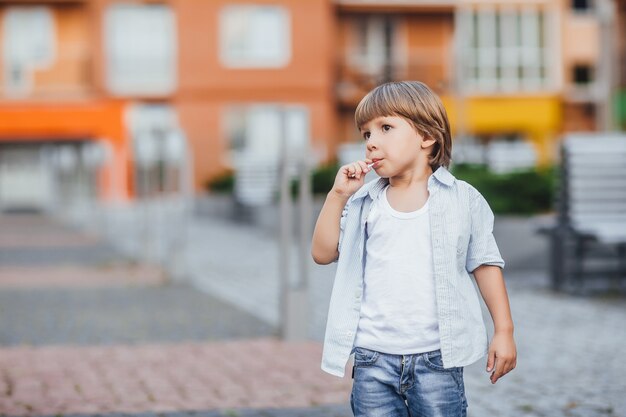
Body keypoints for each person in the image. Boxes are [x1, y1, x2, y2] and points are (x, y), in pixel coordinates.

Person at [311, 81, 517, 417]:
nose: (371, 142)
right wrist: (338, 196)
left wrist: (504, 331)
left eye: (385, 128)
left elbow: (485, 263)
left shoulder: (462, 200)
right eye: (366, 134)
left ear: (426, 136)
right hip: (372, 359)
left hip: (437, 359)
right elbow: (322, 253)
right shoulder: (366, 202)